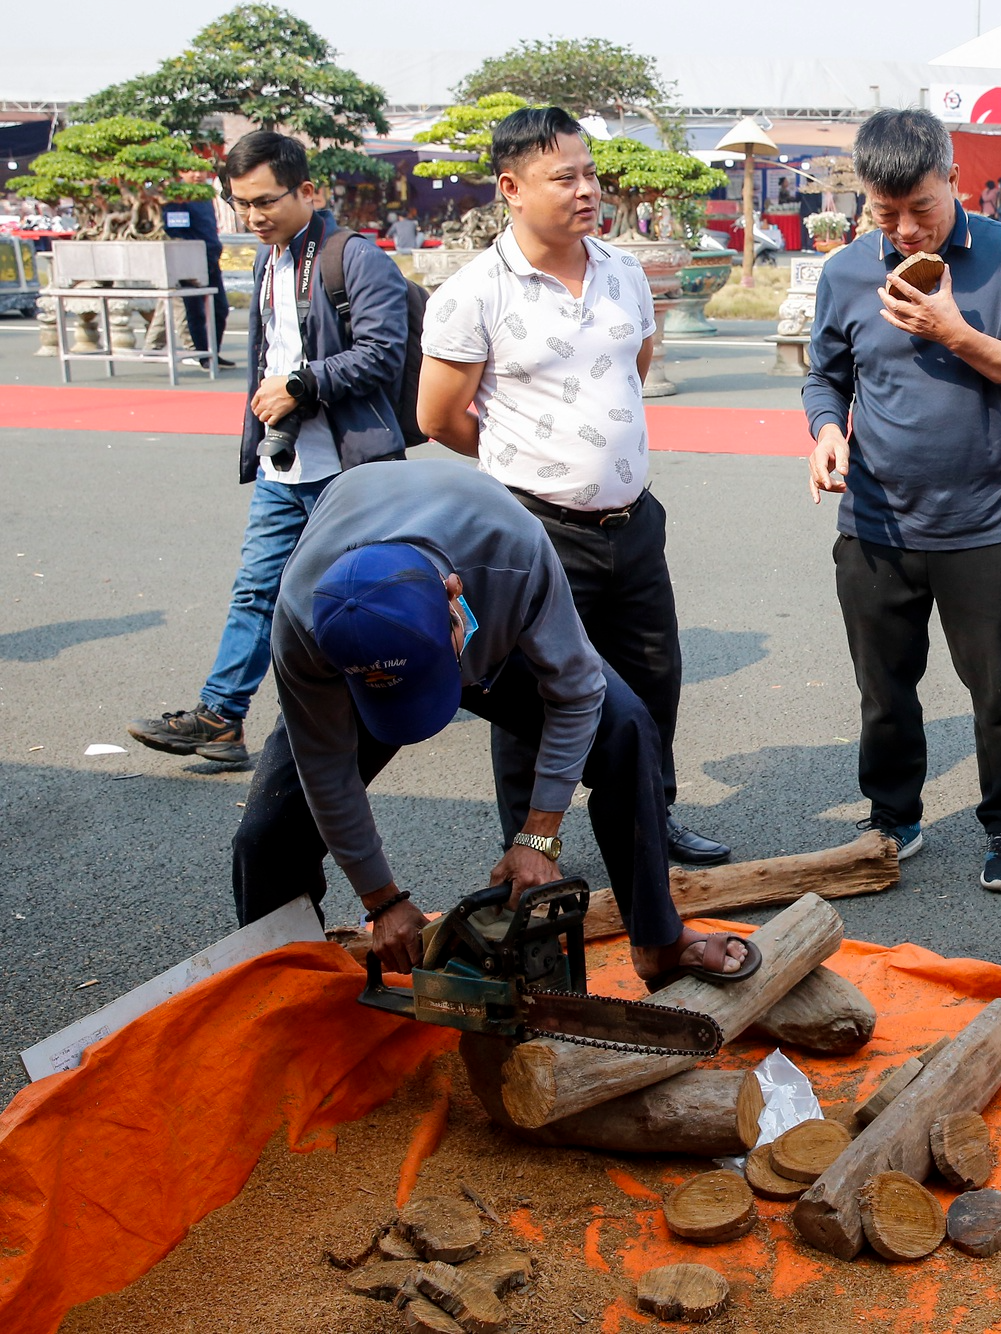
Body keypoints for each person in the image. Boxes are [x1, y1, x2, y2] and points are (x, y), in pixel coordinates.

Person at [230, 460, 754, 985]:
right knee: (268, 835)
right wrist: (382, 899)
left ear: (453, 595)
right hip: (372, 640)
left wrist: (538, 836)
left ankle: (658, 942)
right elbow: (325, 767)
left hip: (489, 619)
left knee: (627, 732)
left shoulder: (513, 549)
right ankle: (283, 987)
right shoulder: (302, 617)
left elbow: (576, 691)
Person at [418, 106, 731, 869]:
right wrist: (529, 466)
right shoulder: (474, 292)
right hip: (534, 530)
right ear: (511, 187)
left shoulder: (623, 270)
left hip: (634, 523)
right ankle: (528, 848)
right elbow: (438, 417)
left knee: (656, 680)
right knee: (536, 697)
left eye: (590, 172)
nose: (587, 189)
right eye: (566, 176)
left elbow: (636, 368)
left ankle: (649, 823)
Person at [804, 108, 1001, 892]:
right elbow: (826, 375)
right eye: (887, 214)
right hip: (876, 524)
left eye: (922, 207)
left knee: (999, 694)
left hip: (985, 525)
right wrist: (824, 432)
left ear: (953, 179)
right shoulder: (847, 270)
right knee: (884, 694)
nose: (907, 229)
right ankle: (892, 817)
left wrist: (956, 331)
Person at [127, 131, 409, 767]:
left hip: (352, 471)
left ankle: (464, 676)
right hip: (286, 466)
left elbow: (383, 356)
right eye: (239, 204)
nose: (252, 217)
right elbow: (269, 356)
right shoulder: (265, 261)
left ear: (308, 191)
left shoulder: (354, 257)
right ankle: (221, 718)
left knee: (375, 594)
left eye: (265, 201)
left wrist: (302, 385)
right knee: (257, 589)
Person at [161, 178, 232, 366]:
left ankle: (213, 351)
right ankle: (203, 355)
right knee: (196, 311)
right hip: (190, 260)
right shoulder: (177, 198)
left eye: (201, 170)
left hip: (211, 256)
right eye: (193, 170)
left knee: (220, 308)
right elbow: (175, 230)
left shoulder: (205, 195)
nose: (198, 174)